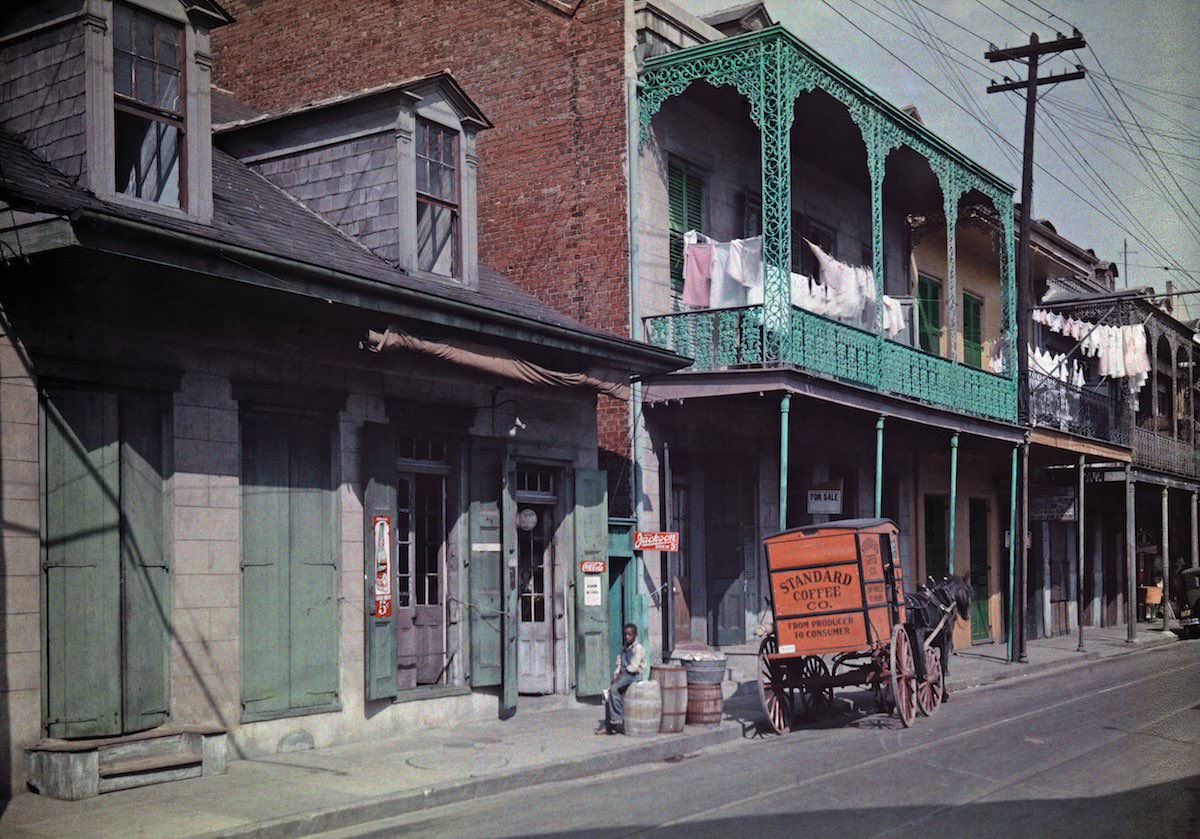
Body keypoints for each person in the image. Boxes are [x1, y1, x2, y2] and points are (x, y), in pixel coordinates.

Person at [595, 623, 645, 734]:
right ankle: (609, 727)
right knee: (608, 695)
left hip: (633, 675)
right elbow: (619, 663)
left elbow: (633, 667)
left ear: (635, 635)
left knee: (614, 689)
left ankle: (617, 718)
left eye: (630, 635)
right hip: (624, 674)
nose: (627, 637)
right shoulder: (624, 648)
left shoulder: (638, 648)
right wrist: (616, 674)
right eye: (626, 635)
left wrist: (621, 677)